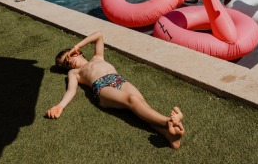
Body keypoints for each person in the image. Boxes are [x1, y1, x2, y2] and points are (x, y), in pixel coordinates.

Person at [45, 31, 185, 149]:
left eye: (69, 56)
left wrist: (77, 45)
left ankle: (169, 136)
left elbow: (99, 35)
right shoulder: (75, 73)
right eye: (65, 63)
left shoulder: (97, 56)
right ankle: (168, 122)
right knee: (133, 100)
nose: (69, 61)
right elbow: (71, 90)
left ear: (77, 52)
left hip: (118, 80)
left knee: (142, 106)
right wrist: (60, 106)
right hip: (102, 87)